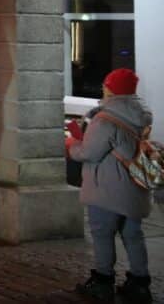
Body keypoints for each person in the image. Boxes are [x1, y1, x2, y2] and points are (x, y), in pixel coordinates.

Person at [68, 68, 156, 303]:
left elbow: (89, 153)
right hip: (135, 187)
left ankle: (102, 283)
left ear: (110, 88)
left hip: (106, 189)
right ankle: (139, 285)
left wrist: (72, 144)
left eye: (106, 85)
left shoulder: (104, 119)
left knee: (102, 235)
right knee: (133, 236)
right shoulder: (142, 114)